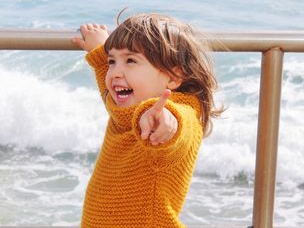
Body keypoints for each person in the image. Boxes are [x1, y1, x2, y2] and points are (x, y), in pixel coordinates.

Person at [71, 12, 222, 228]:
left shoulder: (175, 117)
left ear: (173, 77)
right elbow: (113, 93)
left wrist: (166, 121)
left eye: (131, 60)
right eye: (112, 61)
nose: (114, 72)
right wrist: (100, 53)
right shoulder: (124, 110)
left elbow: (181, 128)